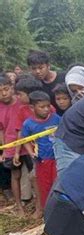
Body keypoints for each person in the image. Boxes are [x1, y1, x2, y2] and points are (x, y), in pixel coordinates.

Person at [21, 91, 61, 215]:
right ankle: (47, 212)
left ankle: (60, 211)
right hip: (42, 160)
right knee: (44, 186)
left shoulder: (56, 118)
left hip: (58, 157)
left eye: (48, 106)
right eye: (42, 107)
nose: (46, 109)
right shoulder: (28, 124)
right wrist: (31, 153)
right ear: (32, 108)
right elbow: (25, 140)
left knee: (58, 184)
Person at [0, 73, 33, 216]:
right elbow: (1, 130)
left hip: (28, 144)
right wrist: (3, 149)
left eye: (6, 89)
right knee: (15, 175)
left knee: (33, 173)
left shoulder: (22, 102)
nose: (3, 93)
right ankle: (18, 205)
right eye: (0, 91)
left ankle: (36, 201)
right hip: (11, 146)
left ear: (12, 88)